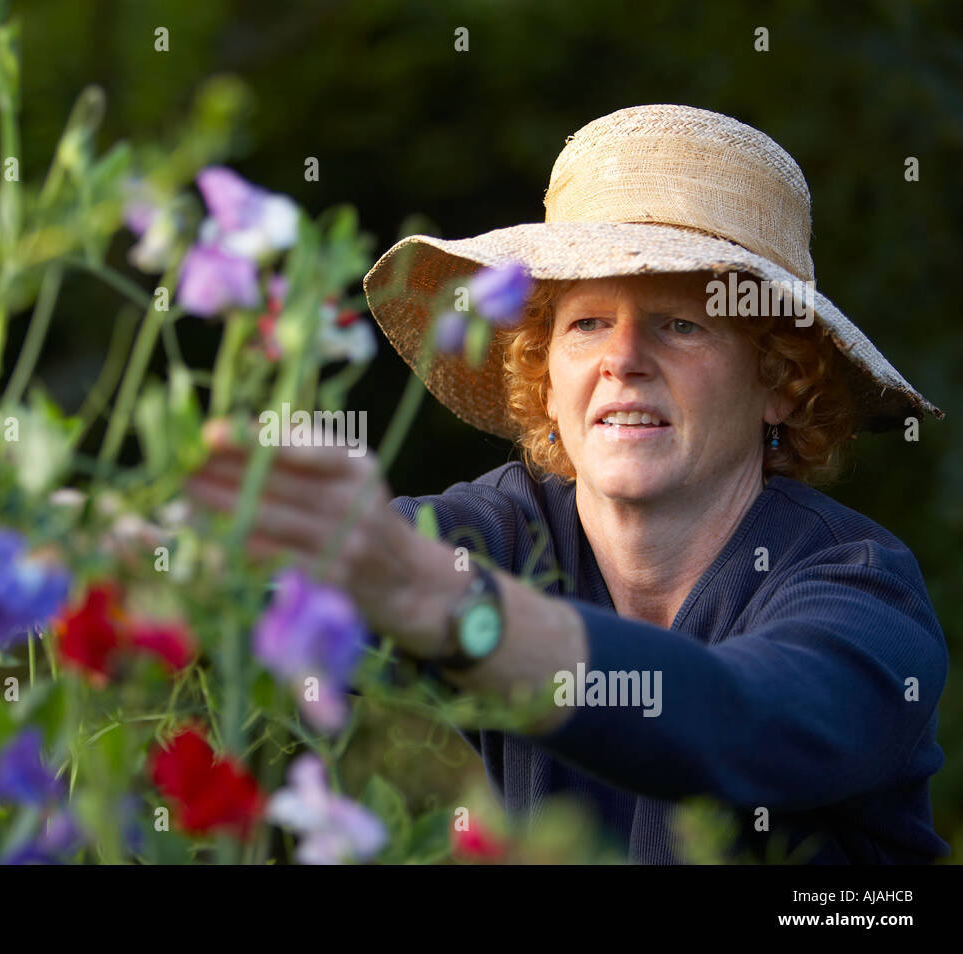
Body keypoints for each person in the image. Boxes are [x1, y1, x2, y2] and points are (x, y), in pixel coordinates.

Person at [183, 104, 949, 863]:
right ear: (544, 377)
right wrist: (130, 550)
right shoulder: (500, 532)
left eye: (680, 325)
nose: (624, 359)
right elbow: (273, 588)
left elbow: (746, 723)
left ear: (778, 379)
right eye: (586, 324)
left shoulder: (860, 587)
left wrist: (449, 608)